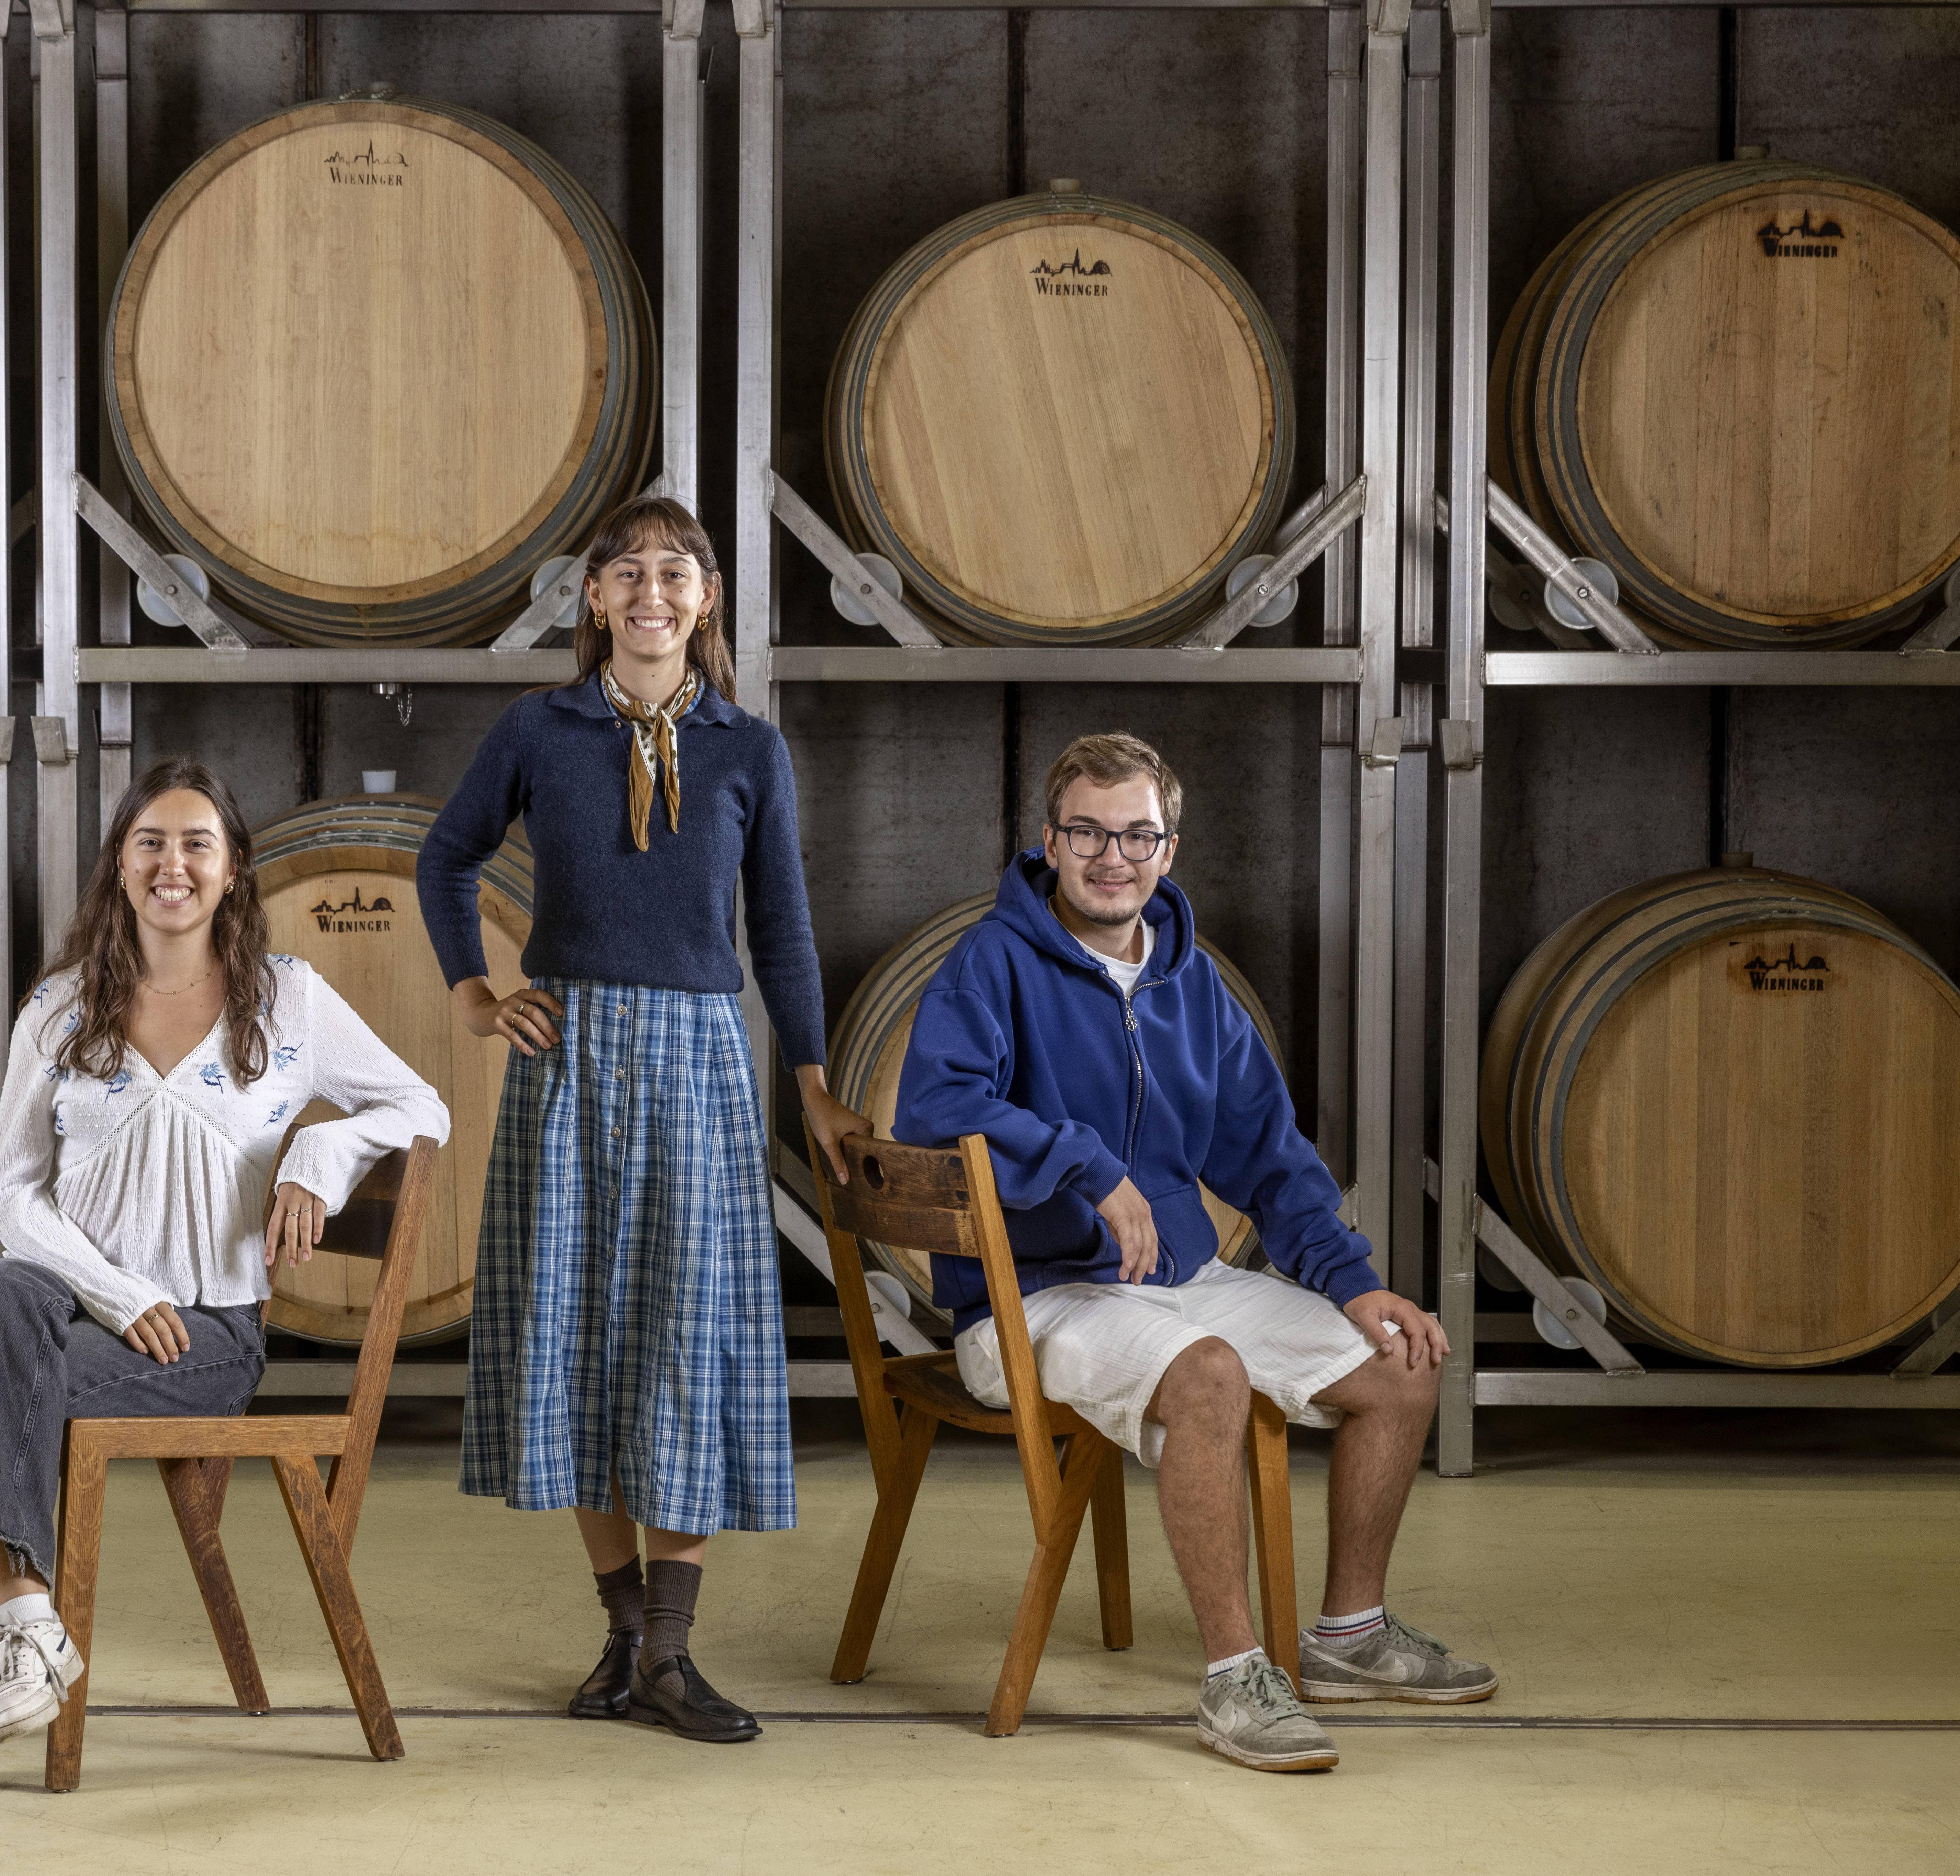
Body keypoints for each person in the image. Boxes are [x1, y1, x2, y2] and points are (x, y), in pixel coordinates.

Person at [0, 759, 449, 1803]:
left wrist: (318, 1155)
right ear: (120, 864)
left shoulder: (288, 999)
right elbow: (11, 1192)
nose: (173, 864)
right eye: (150, 842)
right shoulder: (62, 1007)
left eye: (198, 844)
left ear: (233, 868)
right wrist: (118, 1294)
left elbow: (421, 1106)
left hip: (208, 1336)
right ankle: (28, 1624)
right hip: (79, 1314)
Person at [895, 732, 1494, 1775]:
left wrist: (1355, 1284)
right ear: (1050, 842)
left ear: (1169, 849)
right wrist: (1089, 1166)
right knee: (1210, 1376)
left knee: (1402, 1362)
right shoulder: (990, 963)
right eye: (1087, 833)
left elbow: (1270, 1155)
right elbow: (938, 1107)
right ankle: (1235, 1678)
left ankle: (1350, 1633)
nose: (1112, 858)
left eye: (1137, 835)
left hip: (1182, 1280)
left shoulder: (1193, 983)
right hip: (1031, 1300)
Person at [416, 494, 863, 1745]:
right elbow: (446, 858)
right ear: (595, 597)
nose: (651, 592)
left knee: (686, 1334)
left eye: (675, 572)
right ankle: (625, 1637)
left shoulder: (748, 748)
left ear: (706, 598)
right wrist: (475, 995)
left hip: (700, 1061)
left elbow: (781, 930)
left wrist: (813, 1084)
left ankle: (669, 1648)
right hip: (565, 1057)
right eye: (627, 572)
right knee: (577, 1333)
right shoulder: (537, 728)